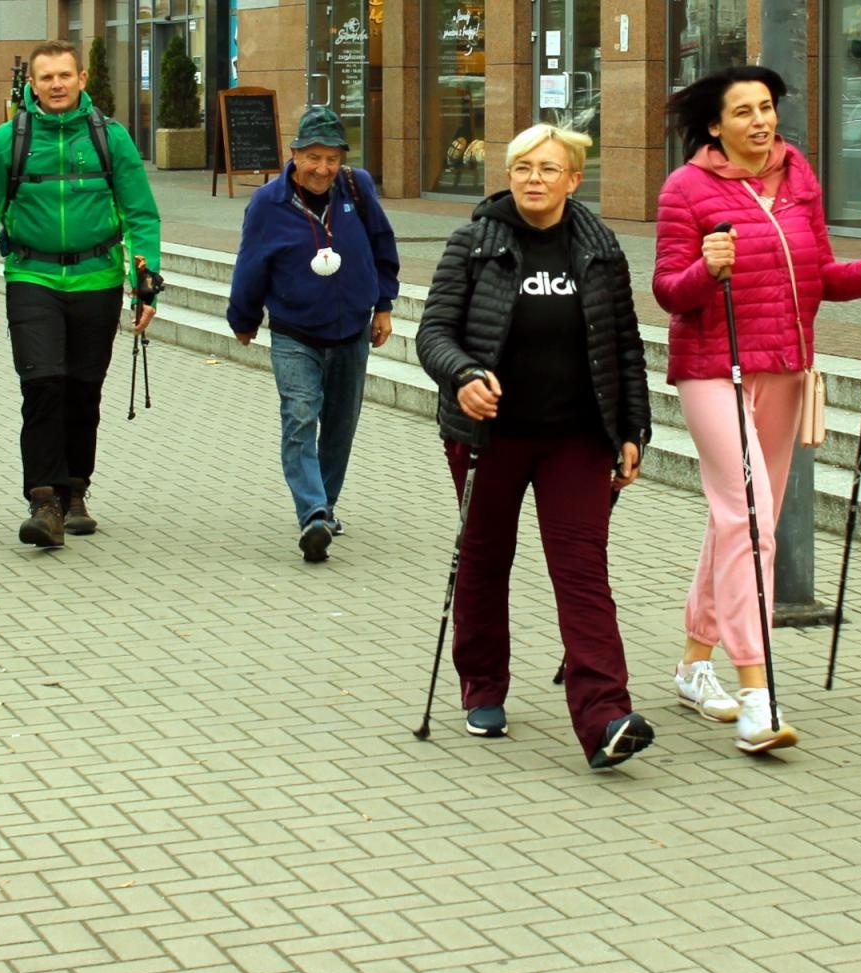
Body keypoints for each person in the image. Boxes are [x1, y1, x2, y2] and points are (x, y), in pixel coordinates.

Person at [654, 66, 861, 754]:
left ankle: (692, 665)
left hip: (784, 368)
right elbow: (670, 291)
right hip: (713, 368)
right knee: (752, 517)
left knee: (736, 521)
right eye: (745, 112)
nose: (762, 122)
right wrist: (709, 268)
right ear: (715, 126)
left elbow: (820, 273)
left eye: (768, 108)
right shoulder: (687, 189)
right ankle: (757, 692)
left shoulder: (799, 180)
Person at [415, 123, 654, 770]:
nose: (533, 179)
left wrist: (633, 431)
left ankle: (606, 716)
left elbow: (625, 348)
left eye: (548, 169)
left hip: (576, 437)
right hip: (489, 436)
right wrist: (463, 377)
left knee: (582, 573)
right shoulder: (474, 242)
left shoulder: (600, 249)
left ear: (574, 179)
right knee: (486, 558)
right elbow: (433, 331)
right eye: (523, 167)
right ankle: (484, 684)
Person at [0, 40, 161, 547]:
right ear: (32, 83)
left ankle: (76, 489)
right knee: (43, 384)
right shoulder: (7, 142)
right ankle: (44, 501)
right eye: (46, 77)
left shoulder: (111, 139)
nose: (56, 85)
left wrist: (146, 284)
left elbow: (141, 215)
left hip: (97, 279)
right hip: (33, 278)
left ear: (82, 78)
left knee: (83, 389)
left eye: (64, 76)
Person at [226, 107, 399, 563]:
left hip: (351, 329)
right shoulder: (268, 202)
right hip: (294, 331)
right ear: (295, 154)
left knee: (340, 424)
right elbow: (251, 264)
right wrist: (242, 317)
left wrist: (384, 304)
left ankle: (327, 503)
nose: (323, 169)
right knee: (301, 416)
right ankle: (313, 513)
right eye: (314, 158)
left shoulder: (357, 188)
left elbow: (384, 245)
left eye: (332, 159)